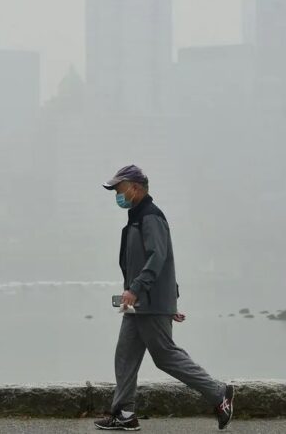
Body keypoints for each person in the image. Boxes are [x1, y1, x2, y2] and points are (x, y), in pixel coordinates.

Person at [93, 165, 234, 431]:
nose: (116, 195)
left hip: (148, 301)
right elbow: (158, 262)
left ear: (135, 188)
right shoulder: (136, 217)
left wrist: (141, 291)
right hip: (139, 304)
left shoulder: (150, 217)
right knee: (125, 356)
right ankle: (124, 413)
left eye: (119, 189)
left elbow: (159, 258)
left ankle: (219, 394)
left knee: (165, 355)